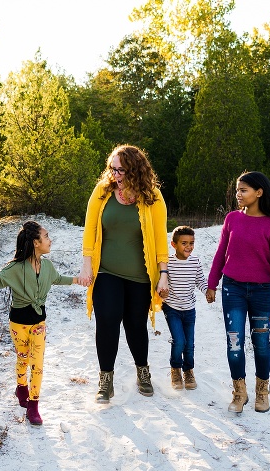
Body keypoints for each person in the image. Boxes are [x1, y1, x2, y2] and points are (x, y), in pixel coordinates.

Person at [0, 221, 84, 426]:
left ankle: (34, 405)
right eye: (47, 236)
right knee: (23, 359)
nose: (50, 240)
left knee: (37, 363)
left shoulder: (48, 266)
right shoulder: (14, 268)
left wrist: (79, 280)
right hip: (18, 322)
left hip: (39, 321)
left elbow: (58, 279)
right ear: (35, 242)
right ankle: (21, 387)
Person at [77, 144, 169, 403]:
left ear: (135, 170)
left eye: (122, 170)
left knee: (135, 325)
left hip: (140, 276)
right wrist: (87, 264)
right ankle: (106, 379)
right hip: (107, 271)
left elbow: (161, 240)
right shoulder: (102, 192)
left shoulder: (153, 197)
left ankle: (143, 371)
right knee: (107, 320)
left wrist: (163, 274)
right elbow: (90, 229)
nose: (116, 175)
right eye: (112, 169)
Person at [207, 171, 270, 414]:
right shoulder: (232, 219)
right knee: (235, 342)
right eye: (237, 190)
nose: (238, 194)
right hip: (232, 289)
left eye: (243, 190)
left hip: (263, 293)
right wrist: (212, 283)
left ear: (259, 192)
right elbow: (221, 253)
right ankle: (239, 392)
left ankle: (262, 391)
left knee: (261, 343)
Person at [163, 225, 212, 391]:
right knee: (179, 340)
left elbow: (200, 280)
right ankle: (175, 369)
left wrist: (207, 291)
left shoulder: (195, 261)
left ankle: (188, 370)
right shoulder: (168, 263)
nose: (188, 247)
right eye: (184, 243)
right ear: (174, 244)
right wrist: (161, 292)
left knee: (189, 343)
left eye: (191, 243)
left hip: (190, 309)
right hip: (172, 308)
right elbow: (161, 282)